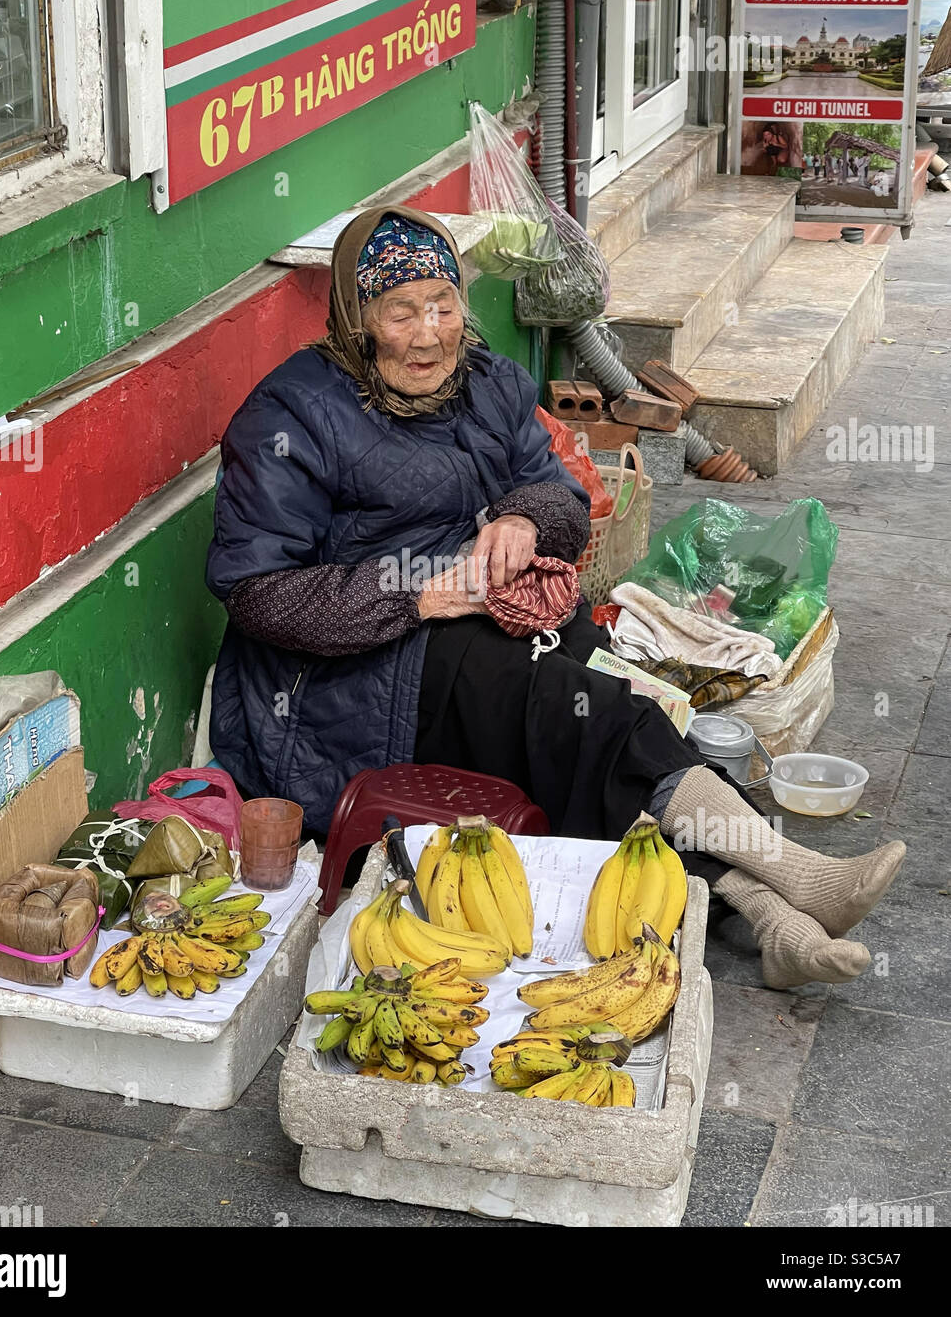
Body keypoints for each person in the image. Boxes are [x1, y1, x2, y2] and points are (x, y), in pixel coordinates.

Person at [205, 206, 904, 990]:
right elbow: (257, 593)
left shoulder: (487, 381)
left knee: (597, 719)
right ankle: (794, 879)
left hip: (484, 626)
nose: (429, 334)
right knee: (590, 717)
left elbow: (563, 499)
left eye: (443, 305)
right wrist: (415, 598)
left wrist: (521, 514)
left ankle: (773, 916)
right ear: (356, 318)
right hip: (358, 672)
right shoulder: (294, 412)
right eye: (401, 312)